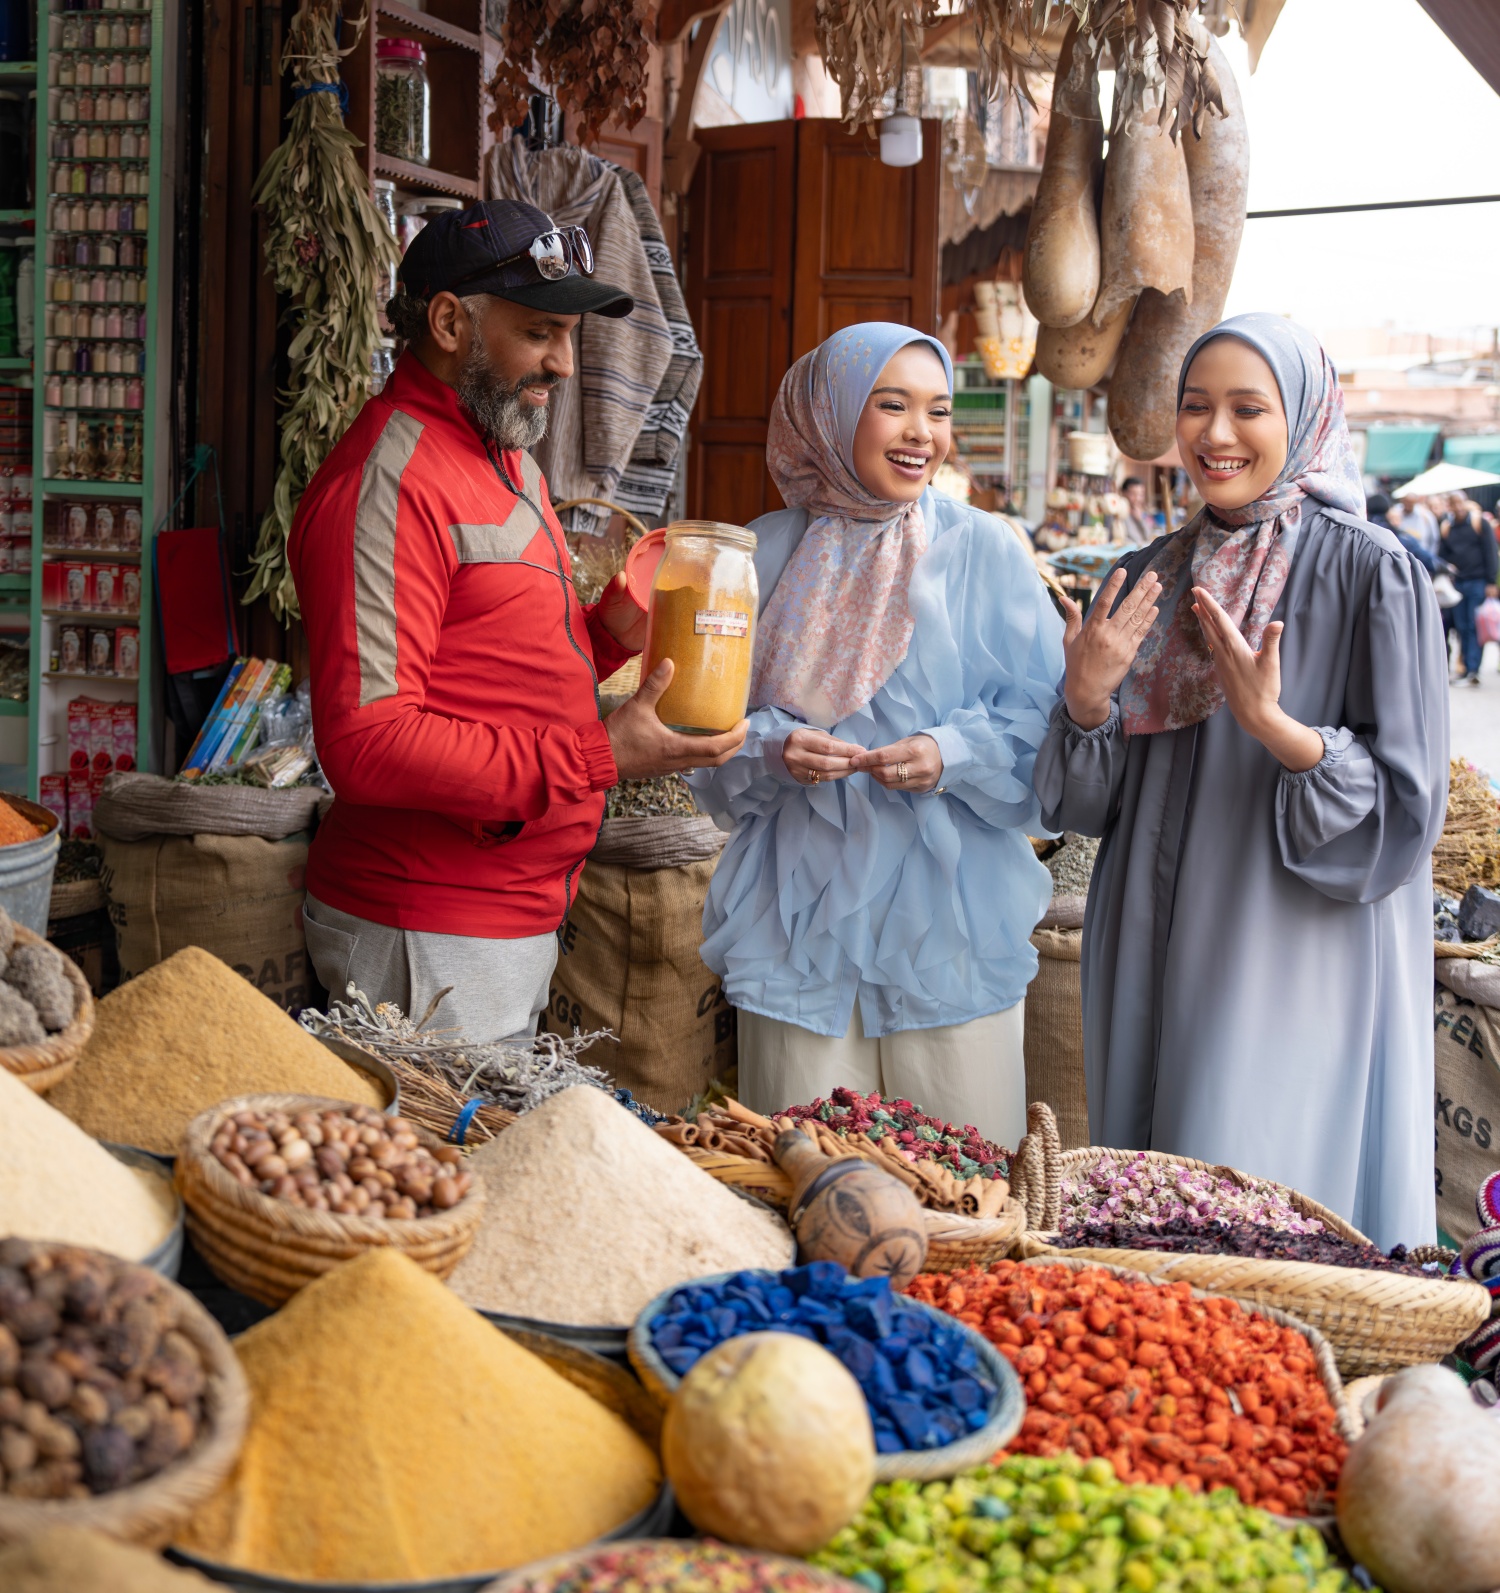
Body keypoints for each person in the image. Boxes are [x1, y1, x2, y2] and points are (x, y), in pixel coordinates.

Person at [1035, 313, 1447, 1250]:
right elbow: (1081, 807)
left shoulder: (1371, 573)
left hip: (1289, 947)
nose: (1215, 434)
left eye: (1247, 408)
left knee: (1257, 1198)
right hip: (1143, 936)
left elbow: (1404, 814)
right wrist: (1089, 699)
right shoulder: (1148, 574)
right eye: (1196, 406)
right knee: (1154, 1212)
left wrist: (1279, 731)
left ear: (1302, 418)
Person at [289, 199, 746, 1043]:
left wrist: (608, 631)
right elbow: (367, 742)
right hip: (426, 924)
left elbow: (485, 655)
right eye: (540, 332)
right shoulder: (391, 481)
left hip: (502, 916)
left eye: (568, 336)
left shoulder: (504, 456)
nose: (565, 364)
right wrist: (601, 754)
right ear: (451, 320)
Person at [687, 323, 1065, 1147]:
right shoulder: (764, 552)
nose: (920, 433)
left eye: (937, 410)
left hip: (948, 925)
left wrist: (950, 754)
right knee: (808, 1175)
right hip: (799, 921)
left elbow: (1042, 724)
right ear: (830, 414)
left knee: (969, 1181)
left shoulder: (980, 550)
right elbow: (706, 743)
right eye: (891, 406)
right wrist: (773, 750)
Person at [1440, 494, 1498, 684]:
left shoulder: (1479, 523)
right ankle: (1466, 668)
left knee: (1474, 625)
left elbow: (1490, 552)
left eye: (1459, 502)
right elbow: (1443, 555)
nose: (1456, 507)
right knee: (1462, 626)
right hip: (1458, 583)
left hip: (1478, 581)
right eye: (1452, 504)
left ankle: (1473, 669)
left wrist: (1491, 582)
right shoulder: (1448, 527)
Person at [1368, 491, 1439, 575]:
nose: (1395, 522)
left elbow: (1433, 540)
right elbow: (1424, 556)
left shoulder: (1362, 531)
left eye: (1397, 519)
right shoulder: (1399, 536)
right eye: (1393, 519)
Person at [1401, 493, 1442, 557]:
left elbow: (1434, 538)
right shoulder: (1397, 515)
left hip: (1423, 556)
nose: (1408, 505)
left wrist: (1431, 557)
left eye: (1410, 503)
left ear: (1415, 503)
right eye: (1406, 503)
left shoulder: (1426, 516)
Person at [1119, 476, 1157, 542]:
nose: (1137, 498)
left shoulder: (1144, 514)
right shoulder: (1118, 514)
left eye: (1140, 495)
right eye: (1133, 494)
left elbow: (1150, 537)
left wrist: (1140, 519)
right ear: (1123, 493)